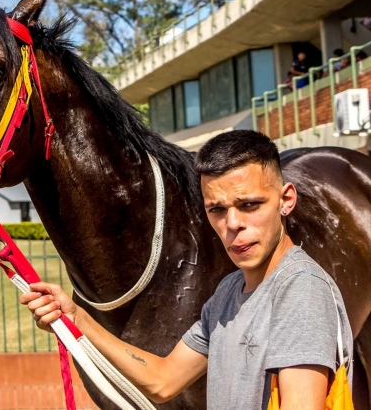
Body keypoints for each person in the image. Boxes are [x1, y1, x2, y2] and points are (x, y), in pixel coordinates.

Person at [21, 130, 353, 409]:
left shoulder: (300, 290)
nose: (232, 224)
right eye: (217, 210)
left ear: (286, 200)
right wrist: (77, 318)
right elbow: (163, 380)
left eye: (250, 205)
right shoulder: (228, 292)